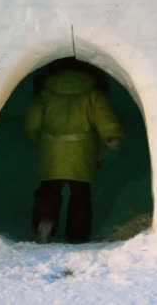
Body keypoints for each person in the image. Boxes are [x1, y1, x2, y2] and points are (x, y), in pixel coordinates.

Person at [24, 60, 123, 243]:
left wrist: (37, 139)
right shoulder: (92, 94)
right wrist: (112, 136)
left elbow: (32, 122)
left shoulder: (46, 94)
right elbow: (105, 117)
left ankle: (45, 223)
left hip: (52, 149)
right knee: (80, 194)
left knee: (50, 190)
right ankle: (78, 235)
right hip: (82, 150)